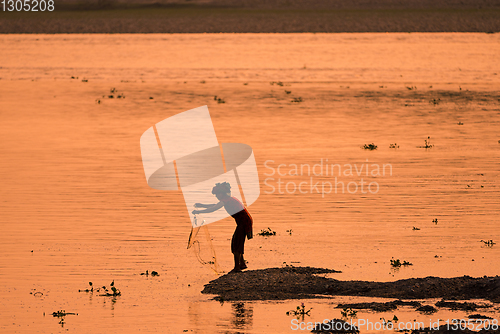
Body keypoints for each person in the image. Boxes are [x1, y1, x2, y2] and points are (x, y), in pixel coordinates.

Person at [192, 182, 253, 273]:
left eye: (217, 194)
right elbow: (215, 205)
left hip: (244, 222)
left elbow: (213, 209)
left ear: (222, 193)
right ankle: (241, 264)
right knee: (238, 241)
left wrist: (199, 212)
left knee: (236, 243)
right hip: (244, 222)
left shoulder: (227, 200)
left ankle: (237, 267)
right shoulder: (228, 200)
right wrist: (202, 205)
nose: (217, 196)